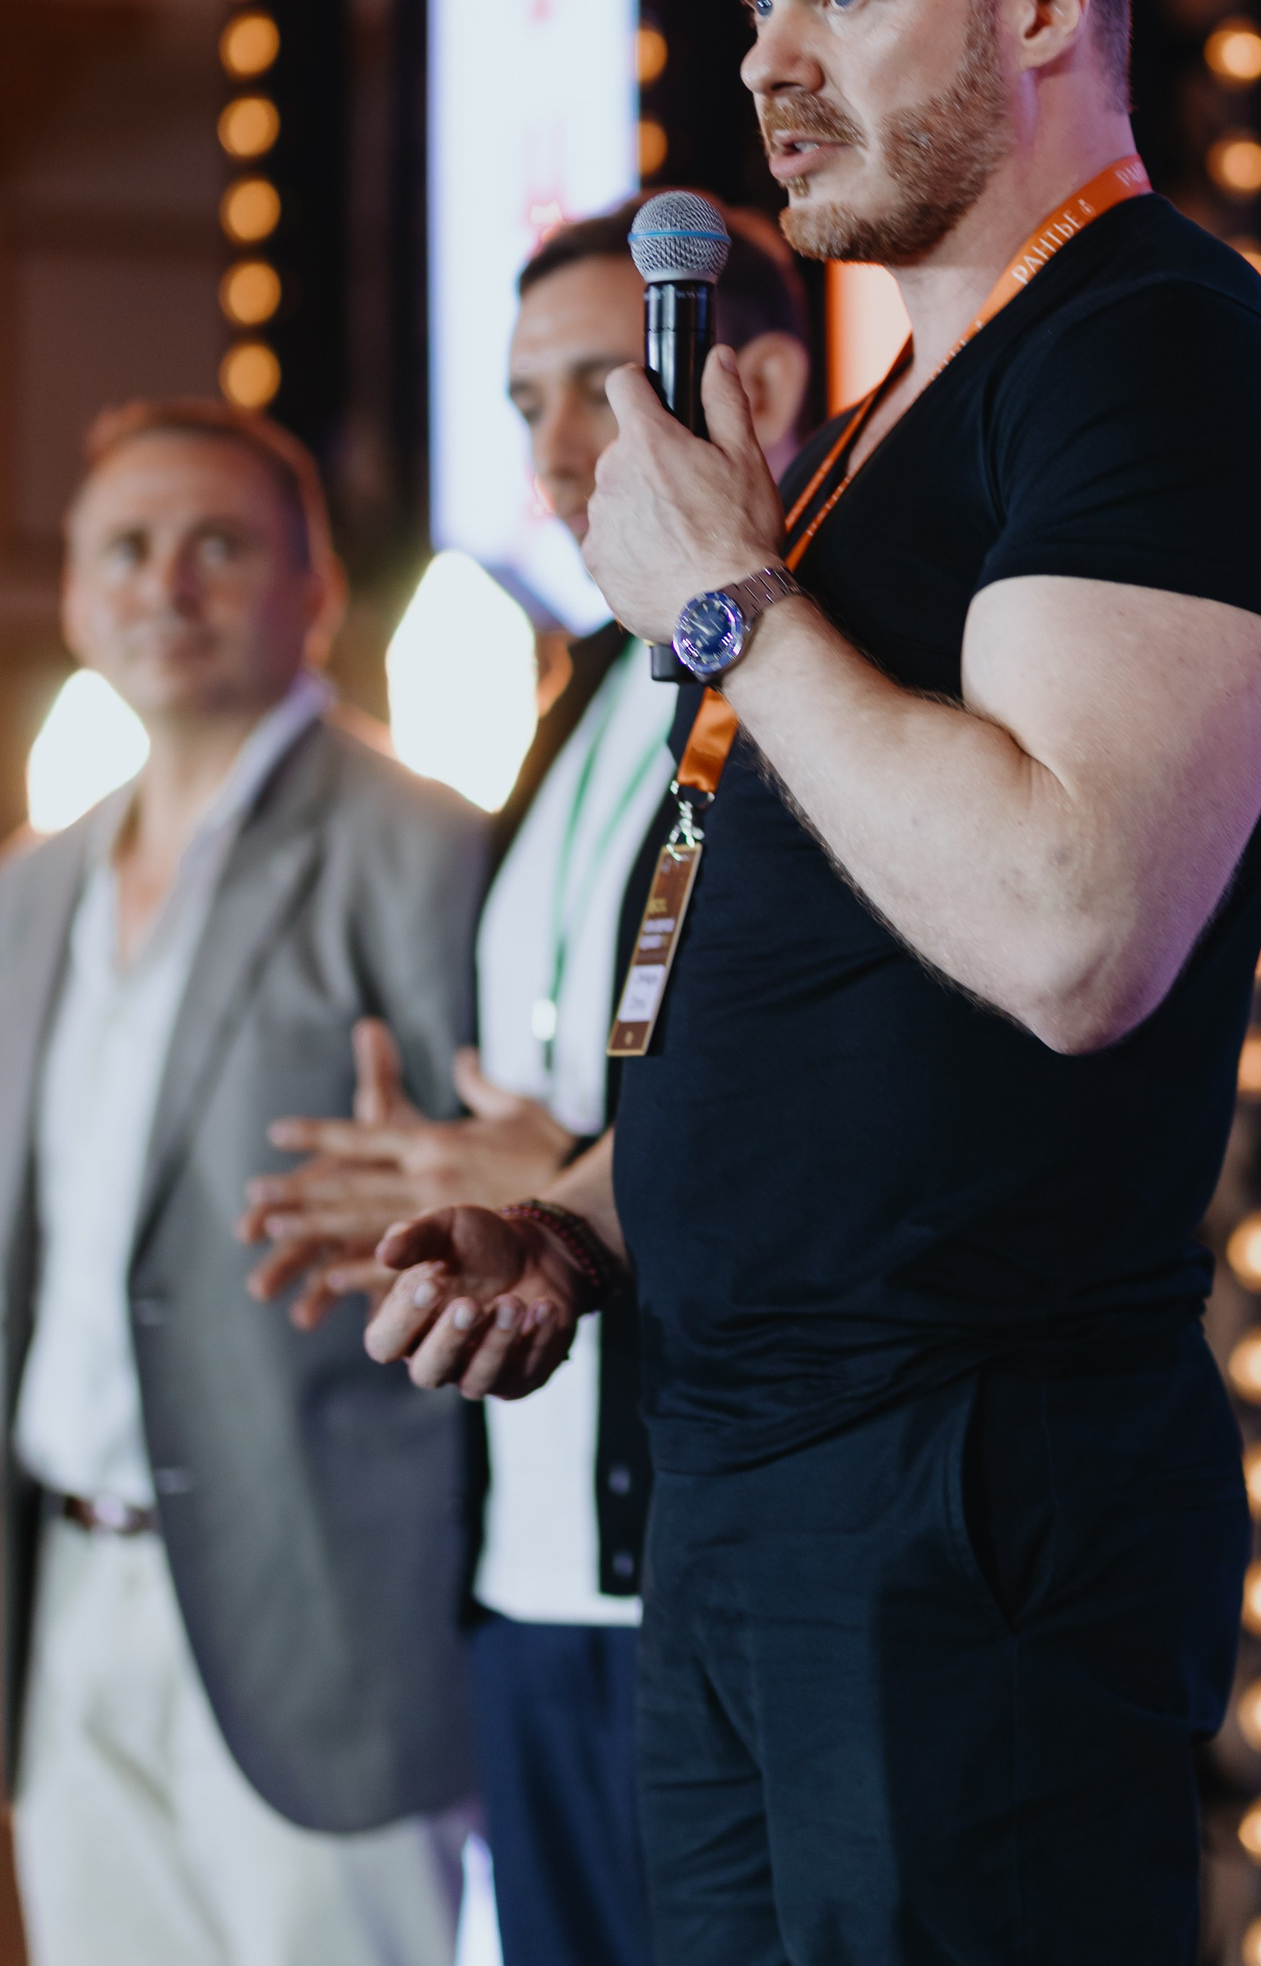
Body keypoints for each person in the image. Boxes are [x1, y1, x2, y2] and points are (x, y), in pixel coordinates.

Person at [367, 0, 1261, 1964]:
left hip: (964, 1483)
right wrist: (578, 1227)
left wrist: (734, 608)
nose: (768, 67)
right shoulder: (870, 441)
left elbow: (1071, 928)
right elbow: (835, 1006)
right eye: (755, 8)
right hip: (741, 1472)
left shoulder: (1159, 364)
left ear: (1042, 7)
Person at [242, 203, 811, 1966]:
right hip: (527, 1576)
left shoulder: (829, 686)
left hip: (733, 1572)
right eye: (522, 404)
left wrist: (559, 1172)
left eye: (598, 384)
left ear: (761, 385)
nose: (557, 451)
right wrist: (433, 1184)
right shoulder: (573, 700)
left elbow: (863, 1108)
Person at [0, 397, 484, 1966]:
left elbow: (521, 1215)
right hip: (66, 1594)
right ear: (79, 597)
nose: (168, 585)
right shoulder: (33, 887)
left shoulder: (423, 848)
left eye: (218, 544)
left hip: (328, 1605)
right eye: (127, 550)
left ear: (313, 588)